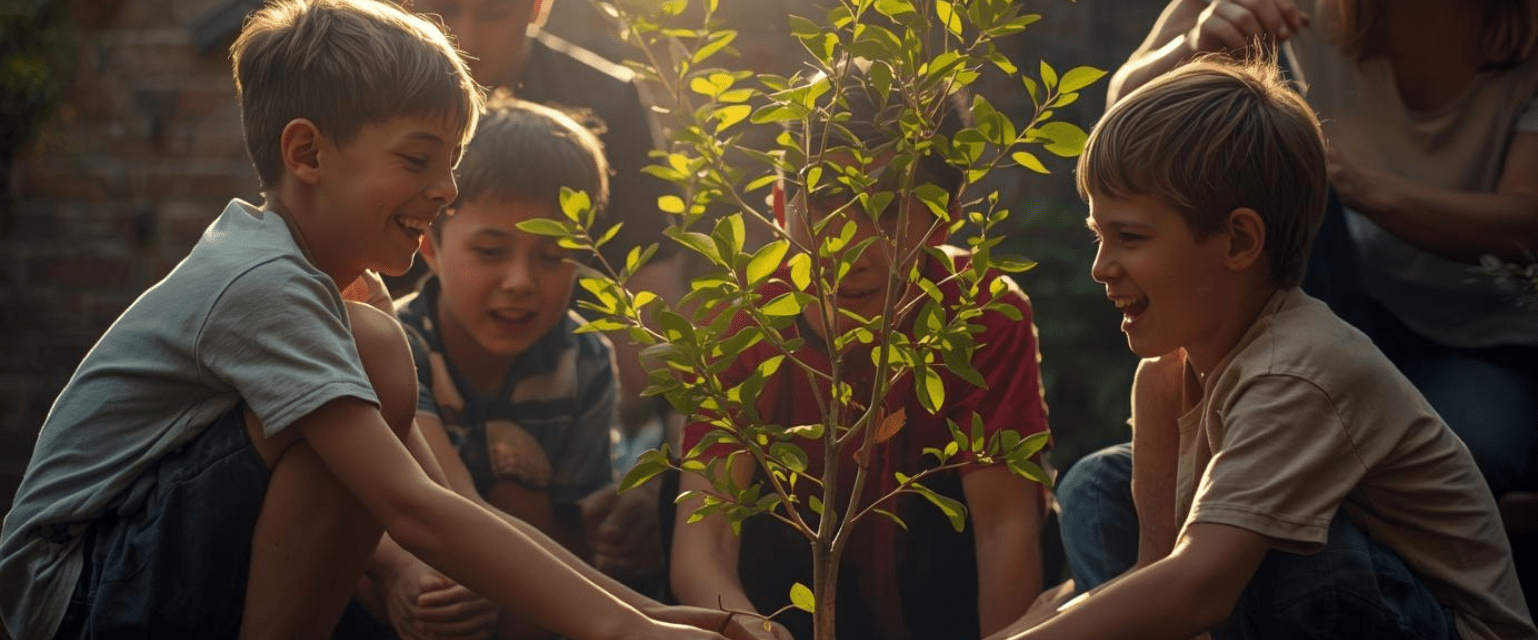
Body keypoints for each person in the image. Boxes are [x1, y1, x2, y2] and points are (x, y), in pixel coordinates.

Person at [0, 2, 752, 639]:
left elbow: (447, 498)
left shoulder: (336, 288)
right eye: (419, 160)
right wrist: (630, 634)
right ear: (307, 153)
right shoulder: (267, 285)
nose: (447, 188)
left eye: (452, 161)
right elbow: (412, 510)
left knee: (372, 347)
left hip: (132, 566)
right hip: (77, 588)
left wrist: (651, 613)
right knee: (374, 348)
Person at [997, 59, 1536, 640]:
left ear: (1239, 240)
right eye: (1098, 236)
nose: (1101, 267)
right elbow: (1155, 575)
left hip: (1443, 625)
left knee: (1277, 548)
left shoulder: (1297, 370)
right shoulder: (1165, 377)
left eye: (1129, 236)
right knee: (1097, 485)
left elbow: (1199, 588)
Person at [668, 69, 1052, 640]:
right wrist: (751, 630)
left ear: (944, 215)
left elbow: (1004, 531)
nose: (852, 250)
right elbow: (708, 541)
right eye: (825, 205)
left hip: (936, 601)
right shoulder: (745, 319)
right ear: (781, 207)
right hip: (786, 600)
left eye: (888, 211)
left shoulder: (979, 312)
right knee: (677, 488)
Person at [1104, 0, 1538, 501]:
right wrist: (1196, 48)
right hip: (1344, 304)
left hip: (1491, 345)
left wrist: (1356, 185)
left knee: (1443, 463)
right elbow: (1121, 115)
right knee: (1097, 486)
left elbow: (1524, 224)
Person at [411, 0, 684, 590]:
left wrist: (662, 484)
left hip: (560, 390)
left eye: (492, 14)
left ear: (538, 7)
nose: (461, 39)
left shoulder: (607, 103)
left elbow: (653, 314)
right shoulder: (372, 95)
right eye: (439, 11)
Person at [350, 93, 640, 640]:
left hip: (527, 601)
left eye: (552, 257)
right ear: (430, 246)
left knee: (523, 498)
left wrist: (620, 529)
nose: (520, 282)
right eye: (489, 251)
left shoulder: (583, 360)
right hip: (413, 567)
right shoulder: (396, 344)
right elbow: (423, 506)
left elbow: (576, 529)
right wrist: (398, 574)